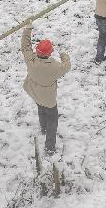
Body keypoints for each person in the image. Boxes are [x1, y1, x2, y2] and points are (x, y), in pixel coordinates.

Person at [20, 24, 71, 154]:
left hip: (34, 92)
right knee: (52, 120)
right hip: (48, 98)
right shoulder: (54, 67)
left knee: (41, 109)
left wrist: (27, 30)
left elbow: (25, 46)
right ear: (50, 53)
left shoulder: (30, 60)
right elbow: (67, 66)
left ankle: (43, 128)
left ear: (37, 51)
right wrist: (64, 55)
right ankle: (50, 147)